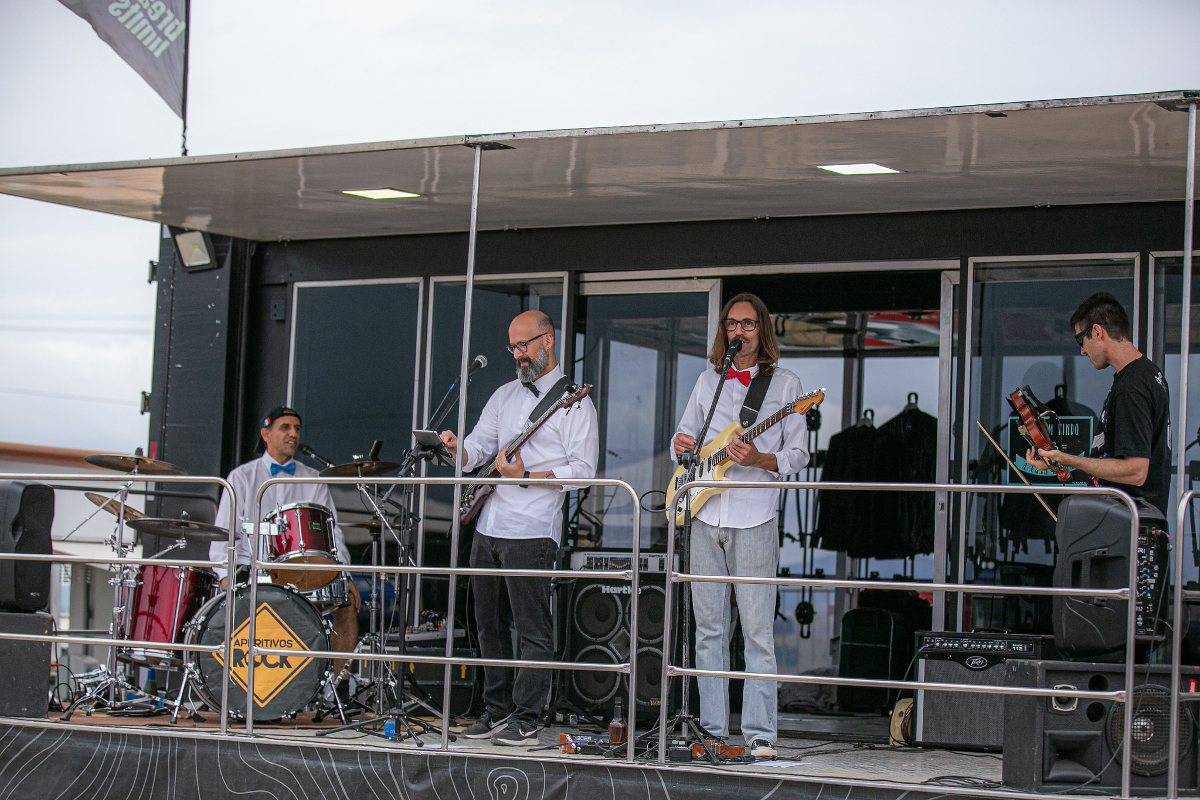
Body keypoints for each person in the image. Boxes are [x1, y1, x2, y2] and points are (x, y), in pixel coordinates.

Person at [439, 310, 598, 747]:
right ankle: (494, 708)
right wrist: (455, 448)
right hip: (490, 523)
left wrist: (527, 476)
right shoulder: (505, 395)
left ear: (548, 340)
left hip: (532, 527)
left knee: (531, 627)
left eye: (524, 344)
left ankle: (527, 716)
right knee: (486, 623)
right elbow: (478, 449)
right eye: (513, 346)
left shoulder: (576, 401)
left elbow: (584, 471)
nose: (518, 353)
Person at [671, 292, 809, 760]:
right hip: (705, 510)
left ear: (762, 330)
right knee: (709, 629)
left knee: (756, 630)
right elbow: (683, 435)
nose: (739, 331)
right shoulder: (707, 380)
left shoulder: (787, 385)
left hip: (754, 515)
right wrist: (682, 443)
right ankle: (711, 729)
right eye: (732, 324)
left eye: (748, 325)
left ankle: (760, 733)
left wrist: (759, 457)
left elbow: (797, 456)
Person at [209, 406, 360, 672]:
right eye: (285, 428)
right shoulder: (242, 477)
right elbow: (223, 535)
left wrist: (343, 575)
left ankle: (330, 689)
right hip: (252, 571)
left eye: (297, 429)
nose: (293, 434)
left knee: (346, 606)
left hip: (303, 574)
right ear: (265, 434)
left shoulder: (313, 478)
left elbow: (332, 533)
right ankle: (237, 684)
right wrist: (225, 576)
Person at [1028, 292, 1171, 515]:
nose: (1082, 350)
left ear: (1097, 332)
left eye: (1080, 340)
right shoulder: (1148, 374)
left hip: (1128, 525)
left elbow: (1135, 471)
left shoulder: (1132, 386)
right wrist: (1060, 463)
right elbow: (1111, 463)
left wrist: (1067, 459)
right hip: (1132, 520)